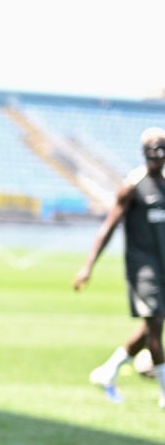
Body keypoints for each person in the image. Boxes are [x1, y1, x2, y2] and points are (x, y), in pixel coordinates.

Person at [73, 126, 165, 409]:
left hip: (162, 267)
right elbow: (108, 228)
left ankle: (108, 371)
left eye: (161, 149)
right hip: (142, 268)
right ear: (143, 152)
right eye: (152, 149)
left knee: (151, 326)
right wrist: (88, 266)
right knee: (156, 326)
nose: (157, 155)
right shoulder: (132, 187)